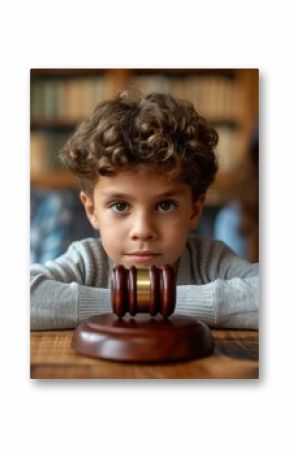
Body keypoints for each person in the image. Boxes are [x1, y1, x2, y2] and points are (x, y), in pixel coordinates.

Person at [30, 90, 258, 330]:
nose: (142, 230)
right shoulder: (87, 261)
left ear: (194, 210)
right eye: (120, 206)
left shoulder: (209, 260)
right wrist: (146, 302)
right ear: (92, 210)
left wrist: (140, 302)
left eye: (165, 205)